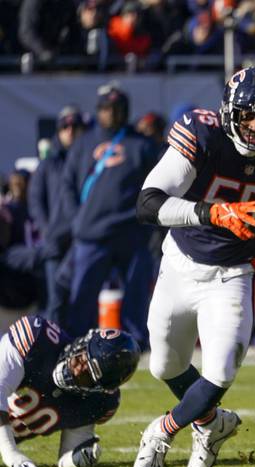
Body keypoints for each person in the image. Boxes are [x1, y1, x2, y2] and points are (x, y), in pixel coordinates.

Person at [132, 66, 255, 467]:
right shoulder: (203, 133)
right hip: (180, 263)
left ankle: (161, 433)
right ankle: (212, 425)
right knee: (164, 365)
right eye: (248, 116)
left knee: (222, 370)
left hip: (234, 273)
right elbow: (148, 203)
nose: (254, 127)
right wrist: (213, 212)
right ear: (230, 111)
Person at [60, 85, 158, 348]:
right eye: (106, 108)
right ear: (98, 110)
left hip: (131, 233)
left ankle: (137, 343)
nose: (111, 113)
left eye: (117, 108)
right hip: (91, 234)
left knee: (136, 296)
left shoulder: (142, 145)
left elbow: (156, 186)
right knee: (82, 297)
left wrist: (148, 227)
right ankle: (77, 344)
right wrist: (77, 220)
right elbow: (67, 184)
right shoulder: (83, 143)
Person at [0, 315, 140, 467]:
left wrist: (76, 458)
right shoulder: (37, 337)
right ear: (82, 343)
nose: (78, 370)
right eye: (81, 359)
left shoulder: (99, 401)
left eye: (87, 375)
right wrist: (10, 452)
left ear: (99, 388)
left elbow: (65, 456)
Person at [27, 105, 86, 321]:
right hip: (55, 244)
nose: (70, 130)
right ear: (58, 131)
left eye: (75, 125)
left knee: (82, 299)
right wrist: (46, 230)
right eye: (64, 126)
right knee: (55, 300)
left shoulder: (88, 162)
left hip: (81, 241)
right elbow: (35, 200)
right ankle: (54, 349)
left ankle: (81, 350)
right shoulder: (48, 164)